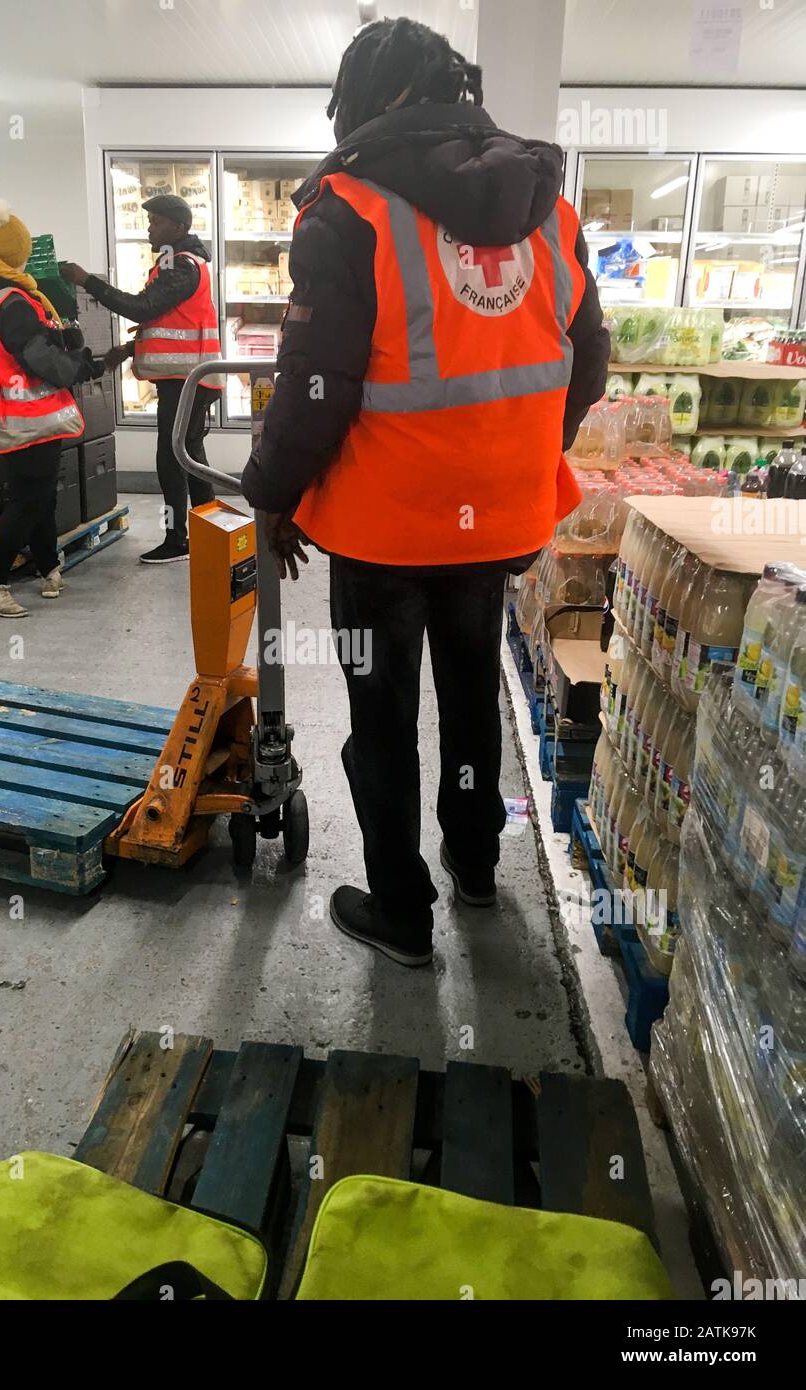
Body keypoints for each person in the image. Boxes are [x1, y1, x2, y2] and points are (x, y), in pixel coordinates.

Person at [242, 18, 609, 967]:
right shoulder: (548, 211)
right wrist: (524, 452)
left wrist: (271, 494)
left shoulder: (348, 208)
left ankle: (402, 912)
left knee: (380, 718)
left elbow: (316, 383)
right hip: (496, 526)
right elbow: (588, 360)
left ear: (372, 98)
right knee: (469, 695)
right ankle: (477, 864)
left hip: (384, 529)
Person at [0, 198, 106, 618]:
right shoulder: (12, 301)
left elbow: (18, 349)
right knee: (29, 501)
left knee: (36, 496)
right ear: (17, 255)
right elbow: (49, 367)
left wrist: (59, 341)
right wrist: (82, 363)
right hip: (26, 417)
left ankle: (48, 567)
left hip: (3, 415)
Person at [60, 194, 222, 564]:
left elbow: (141, 307)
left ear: (179, 227)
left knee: (172, 458)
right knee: (190, 456)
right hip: (188, 379)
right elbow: (166, 322)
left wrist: (87, 282)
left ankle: (178, 538)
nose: (150, 226)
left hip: (187, 380)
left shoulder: (181, 266)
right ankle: (207, 534)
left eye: (158, 221)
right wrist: (130, 349)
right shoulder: (178, 262)